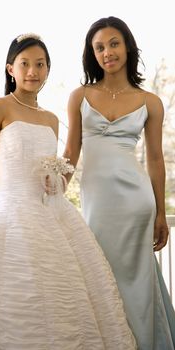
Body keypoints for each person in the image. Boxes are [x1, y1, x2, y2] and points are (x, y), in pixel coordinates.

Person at [0, 33, 137, 349]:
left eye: (40, 64)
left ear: (48, 69)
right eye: (25, 64)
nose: (33, 71)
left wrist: (57, 181)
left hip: (54, 217)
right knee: (18, 300)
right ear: (11, 69)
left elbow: (58, 169)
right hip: (11, 216)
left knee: (66, 298)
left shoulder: (51, 118)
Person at [63, 16, 175, 350]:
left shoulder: (150, 102)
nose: (107, 52)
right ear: (91, 54)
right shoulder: (79, 96)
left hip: (136, 202)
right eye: (99, 47)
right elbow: (71, 151)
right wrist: (50, 194)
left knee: (138, 282)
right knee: (99, 274)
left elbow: (155, 159)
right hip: (98, 202)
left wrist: (159, 213)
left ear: (127, 46)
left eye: (113, 43)